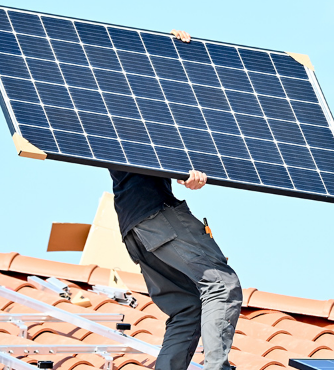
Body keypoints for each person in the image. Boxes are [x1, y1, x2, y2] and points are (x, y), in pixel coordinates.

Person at [111, 30, 242, 370]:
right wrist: (172, 51)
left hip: (135, 231)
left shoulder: (114, 113)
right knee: (221, 283)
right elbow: (167, 113)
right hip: (158, 218)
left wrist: (174, 47)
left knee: (187, 306)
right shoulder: (140, 108)